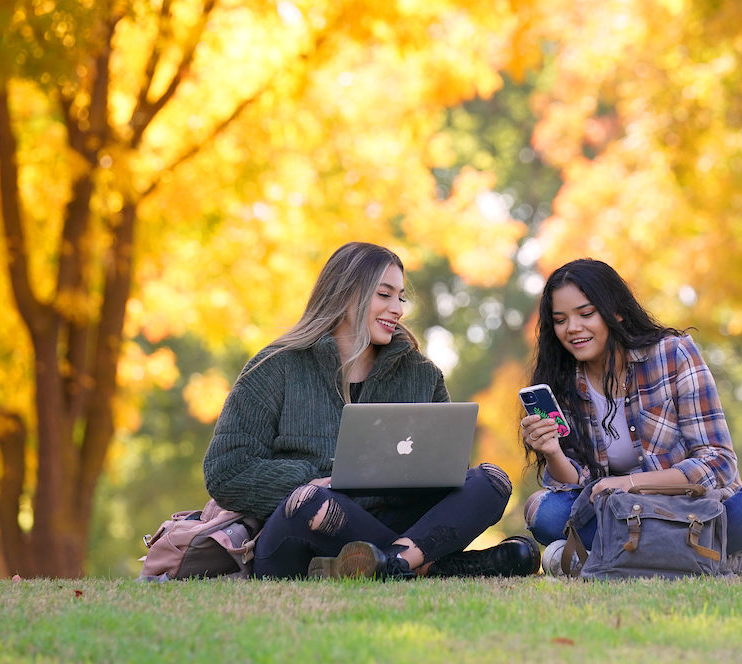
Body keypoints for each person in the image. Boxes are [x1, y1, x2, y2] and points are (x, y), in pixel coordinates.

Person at [204, 241, 540, 579]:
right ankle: (430, 566)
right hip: (306, 528)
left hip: (392, 521)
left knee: (491, 481)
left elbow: (450, 476)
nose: (397, 308)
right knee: (309, 502)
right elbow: (226, 470)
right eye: (384, 295)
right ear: (347, 294)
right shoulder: (276, 367)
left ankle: (387, 564)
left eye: (401, 298)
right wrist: (316, 481)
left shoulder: (422, 375)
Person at [519, 259, 742, 576]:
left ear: (616, 312)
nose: (572, 328)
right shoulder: (564, 381)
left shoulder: (673, 355)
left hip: (695, 513)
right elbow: (576, 488)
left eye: (586, 314)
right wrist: (553, 451)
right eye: (560, 320)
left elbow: (717, 462)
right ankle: (715, 559)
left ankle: (600, 560)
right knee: (542, 510)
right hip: (620, 519)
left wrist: (630, 483)